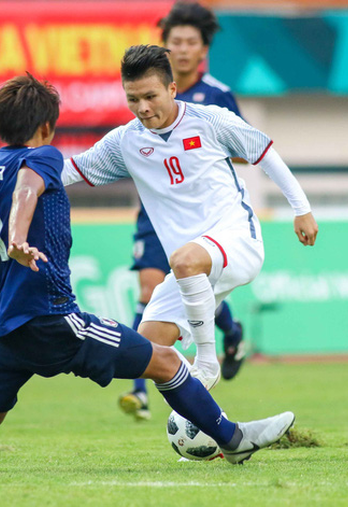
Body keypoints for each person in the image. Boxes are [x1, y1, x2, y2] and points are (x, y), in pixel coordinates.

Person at [0, 74, 295, 475]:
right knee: (167, 362)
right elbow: (29, 188)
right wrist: (17, 235)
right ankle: (232, 440)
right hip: (54, 319)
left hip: (3, 332)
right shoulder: (44, 157)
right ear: (46, 126)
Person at [62, 46, 318, 417]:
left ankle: (208, 361)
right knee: (149, 351)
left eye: (151, 96)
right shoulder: (125, 142)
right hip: (192, 268)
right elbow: (71, 171)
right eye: (133, 99)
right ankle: (213, 431)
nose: (143, 107)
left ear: (171, 89)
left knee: (184, 260)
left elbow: (263, 151)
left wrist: (302, 209)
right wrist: (22, 176)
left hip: (237, 240)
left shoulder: (210, 120)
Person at [121, 2, 248, 421]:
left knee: (192, 276)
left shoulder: (214, 98)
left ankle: (228, 335)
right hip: (156, 217)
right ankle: (140, 390)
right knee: (149, 287)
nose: (182, 49)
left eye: (190, 42)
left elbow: (244, 150)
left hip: (204, 220)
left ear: (203, 48)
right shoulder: (149, 94)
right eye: (174, 42)